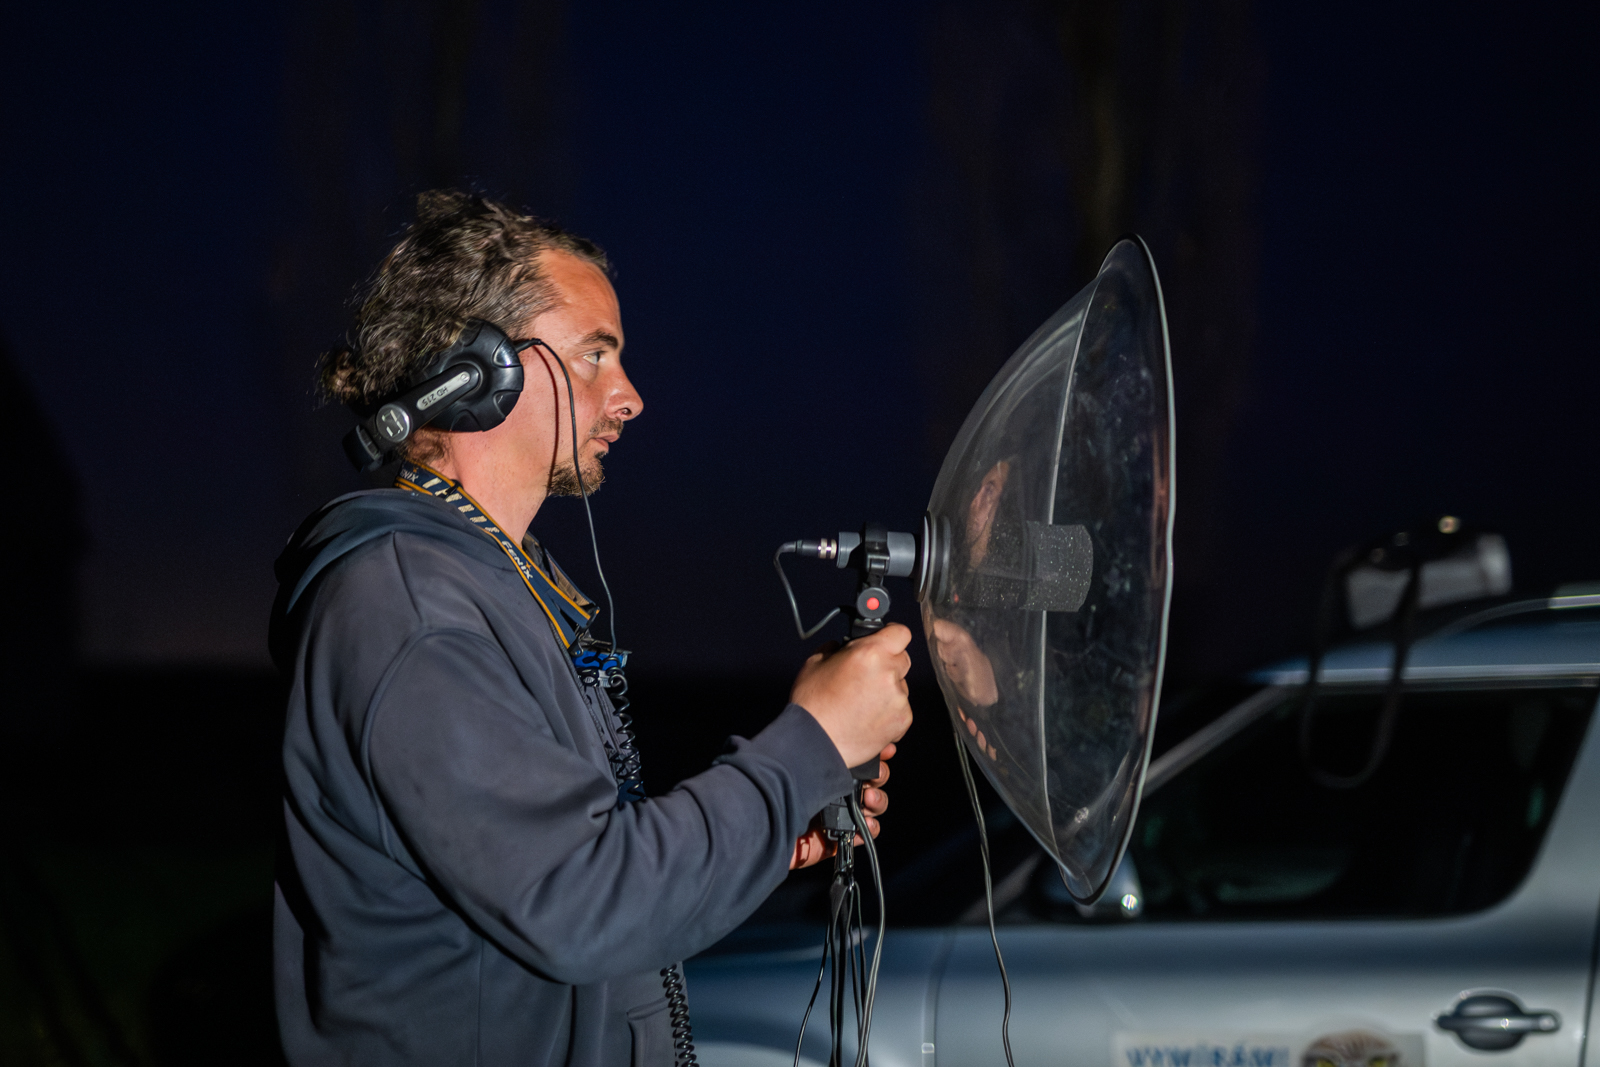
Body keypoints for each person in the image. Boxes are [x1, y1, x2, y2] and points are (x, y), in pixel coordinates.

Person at [269, 190, 913, 1066]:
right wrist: (812, 743)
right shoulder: (409, 609)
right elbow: (580, 902)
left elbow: (591, 877)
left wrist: (763, 832)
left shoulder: (500, 582)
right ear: (475, 373)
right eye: (593, 356)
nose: (630, 396)